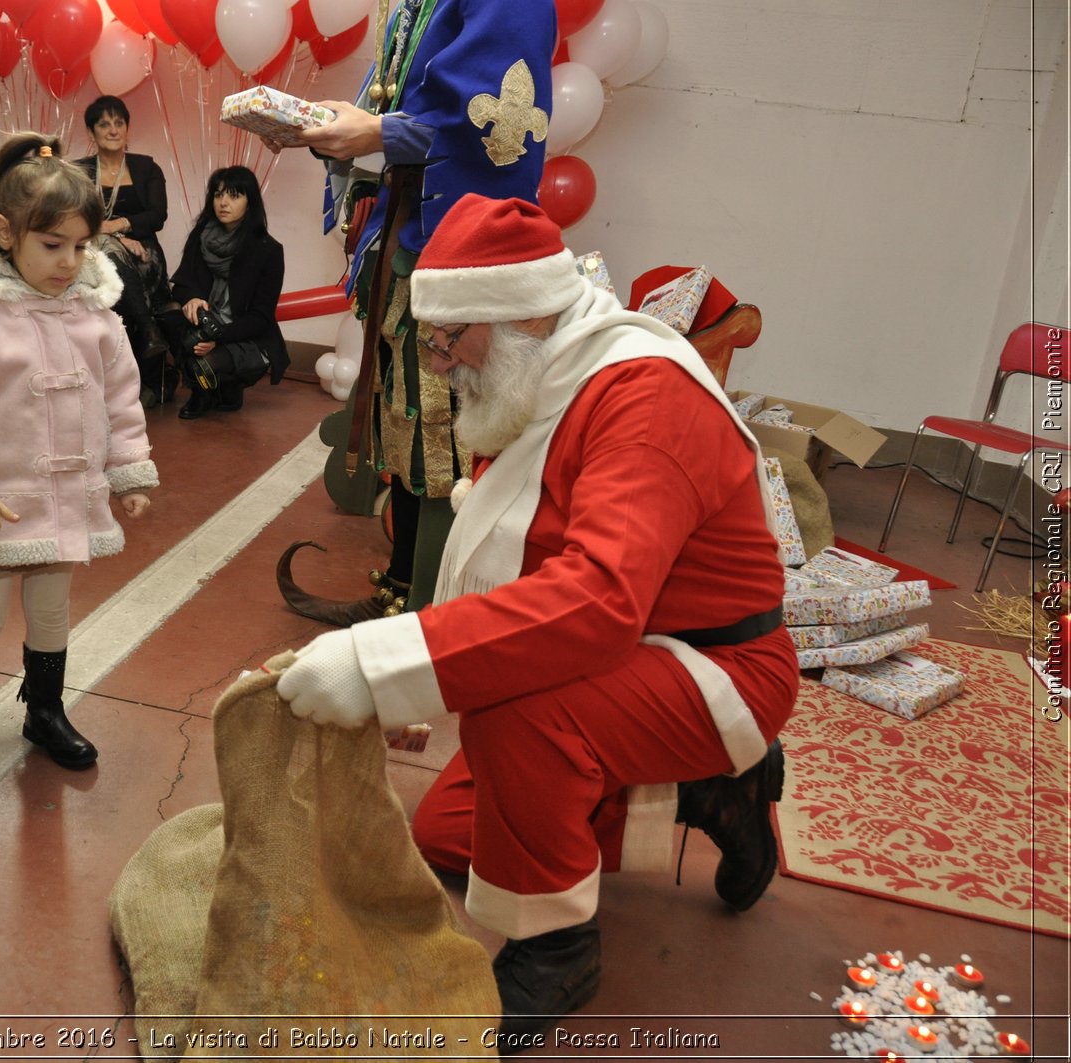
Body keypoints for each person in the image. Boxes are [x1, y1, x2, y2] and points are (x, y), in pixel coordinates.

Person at [276, 196, 799, 1040]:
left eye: (452, 340)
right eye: (434, 341)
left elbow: (594, 600)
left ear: (522, 309)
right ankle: (710, 789)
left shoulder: (643, 399)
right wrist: (416, 684)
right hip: (626, 656)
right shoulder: (545, 370)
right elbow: (515, 556)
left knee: (516, 714)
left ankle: (558, 952)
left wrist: (392, 661)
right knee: (450, 831)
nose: (441, 363)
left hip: (715, 667)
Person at [0, 133, 157, 811]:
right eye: (53, 246)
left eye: (81, 246)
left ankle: (44, 712)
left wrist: (129, 470)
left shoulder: (94, 315)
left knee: (51, 613)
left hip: (66, 497)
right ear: (5, 231)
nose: (71, 262)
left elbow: (120, 397)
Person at [277, 0, 554, 623]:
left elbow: (496, 127)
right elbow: (394, 98)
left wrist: (376, 133)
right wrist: (344, 126)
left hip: (456, 251)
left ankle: (434, 617)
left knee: (448, 439)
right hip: (405, 239)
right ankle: (402, 588)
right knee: (402, 426)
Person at [161, 164, 287, 420]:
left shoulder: (268, 250)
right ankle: (204, 391)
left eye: (234, 195)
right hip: (207, 322)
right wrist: (191, 299)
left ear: (250, 201)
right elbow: (183, 281)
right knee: (168, 316)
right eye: (218, 195)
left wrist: (219, 338)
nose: (224, 203)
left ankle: (225, 386)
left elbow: (261, 317)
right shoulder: (201, 235)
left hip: (244, 334)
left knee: (204, 363)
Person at [73, 95, 170, 404]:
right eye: (104, 124)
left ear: (128, 128)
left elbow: (158, 215)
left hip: (144, 254)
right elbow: (72, 218)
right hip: (94, 255)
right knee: (106, 252)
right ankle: (147, 330)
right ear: (91, 132)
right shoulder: (79, 171)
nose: (113, 130)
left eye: (119, 123)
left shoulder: (146, 167)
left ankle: (144, 378)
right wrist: (112, 239)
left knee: (112, 252)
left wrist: (118, 227)